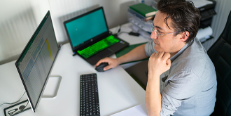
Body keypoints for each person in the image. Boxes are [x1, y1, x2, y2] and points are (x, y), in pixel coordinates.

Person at [95, 0, 217, 115]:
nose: (153, 36)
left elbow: (156, 114)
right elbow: (145, 49)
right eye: (154, 27)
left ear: (183, 36)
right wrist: (118, 60)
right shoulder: (171, 42)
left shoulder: (189, 72)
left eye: (159, 31)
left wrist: (153, 73)